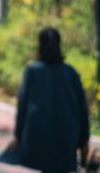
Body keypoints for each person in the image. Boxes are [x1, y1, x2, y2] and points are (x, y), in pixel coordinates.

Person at [13, 27, 90, 173]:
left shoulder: (32, 71)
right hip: (66, 135)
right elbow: (82, 108)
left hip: (37, 134)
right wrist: (84, 138)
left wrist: (18, 135)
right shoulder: (70, 72)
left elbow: (22, 106)